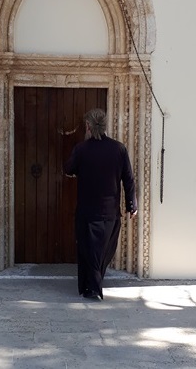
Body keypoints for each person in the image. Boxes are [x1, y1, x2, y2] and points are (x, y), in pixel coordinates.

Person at [64, 108, 137, 300]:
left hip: (87, 212)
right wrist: (132, 205)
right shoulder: (119, 149)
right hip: (110, 212)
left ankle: (92, 287)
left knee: (88, 250)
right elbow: (128, 180)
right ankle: (93, 287)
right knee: (102, 251)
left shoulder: (81, 149)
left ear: (88, 126)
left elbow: (68, 169)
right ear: (104, 126)